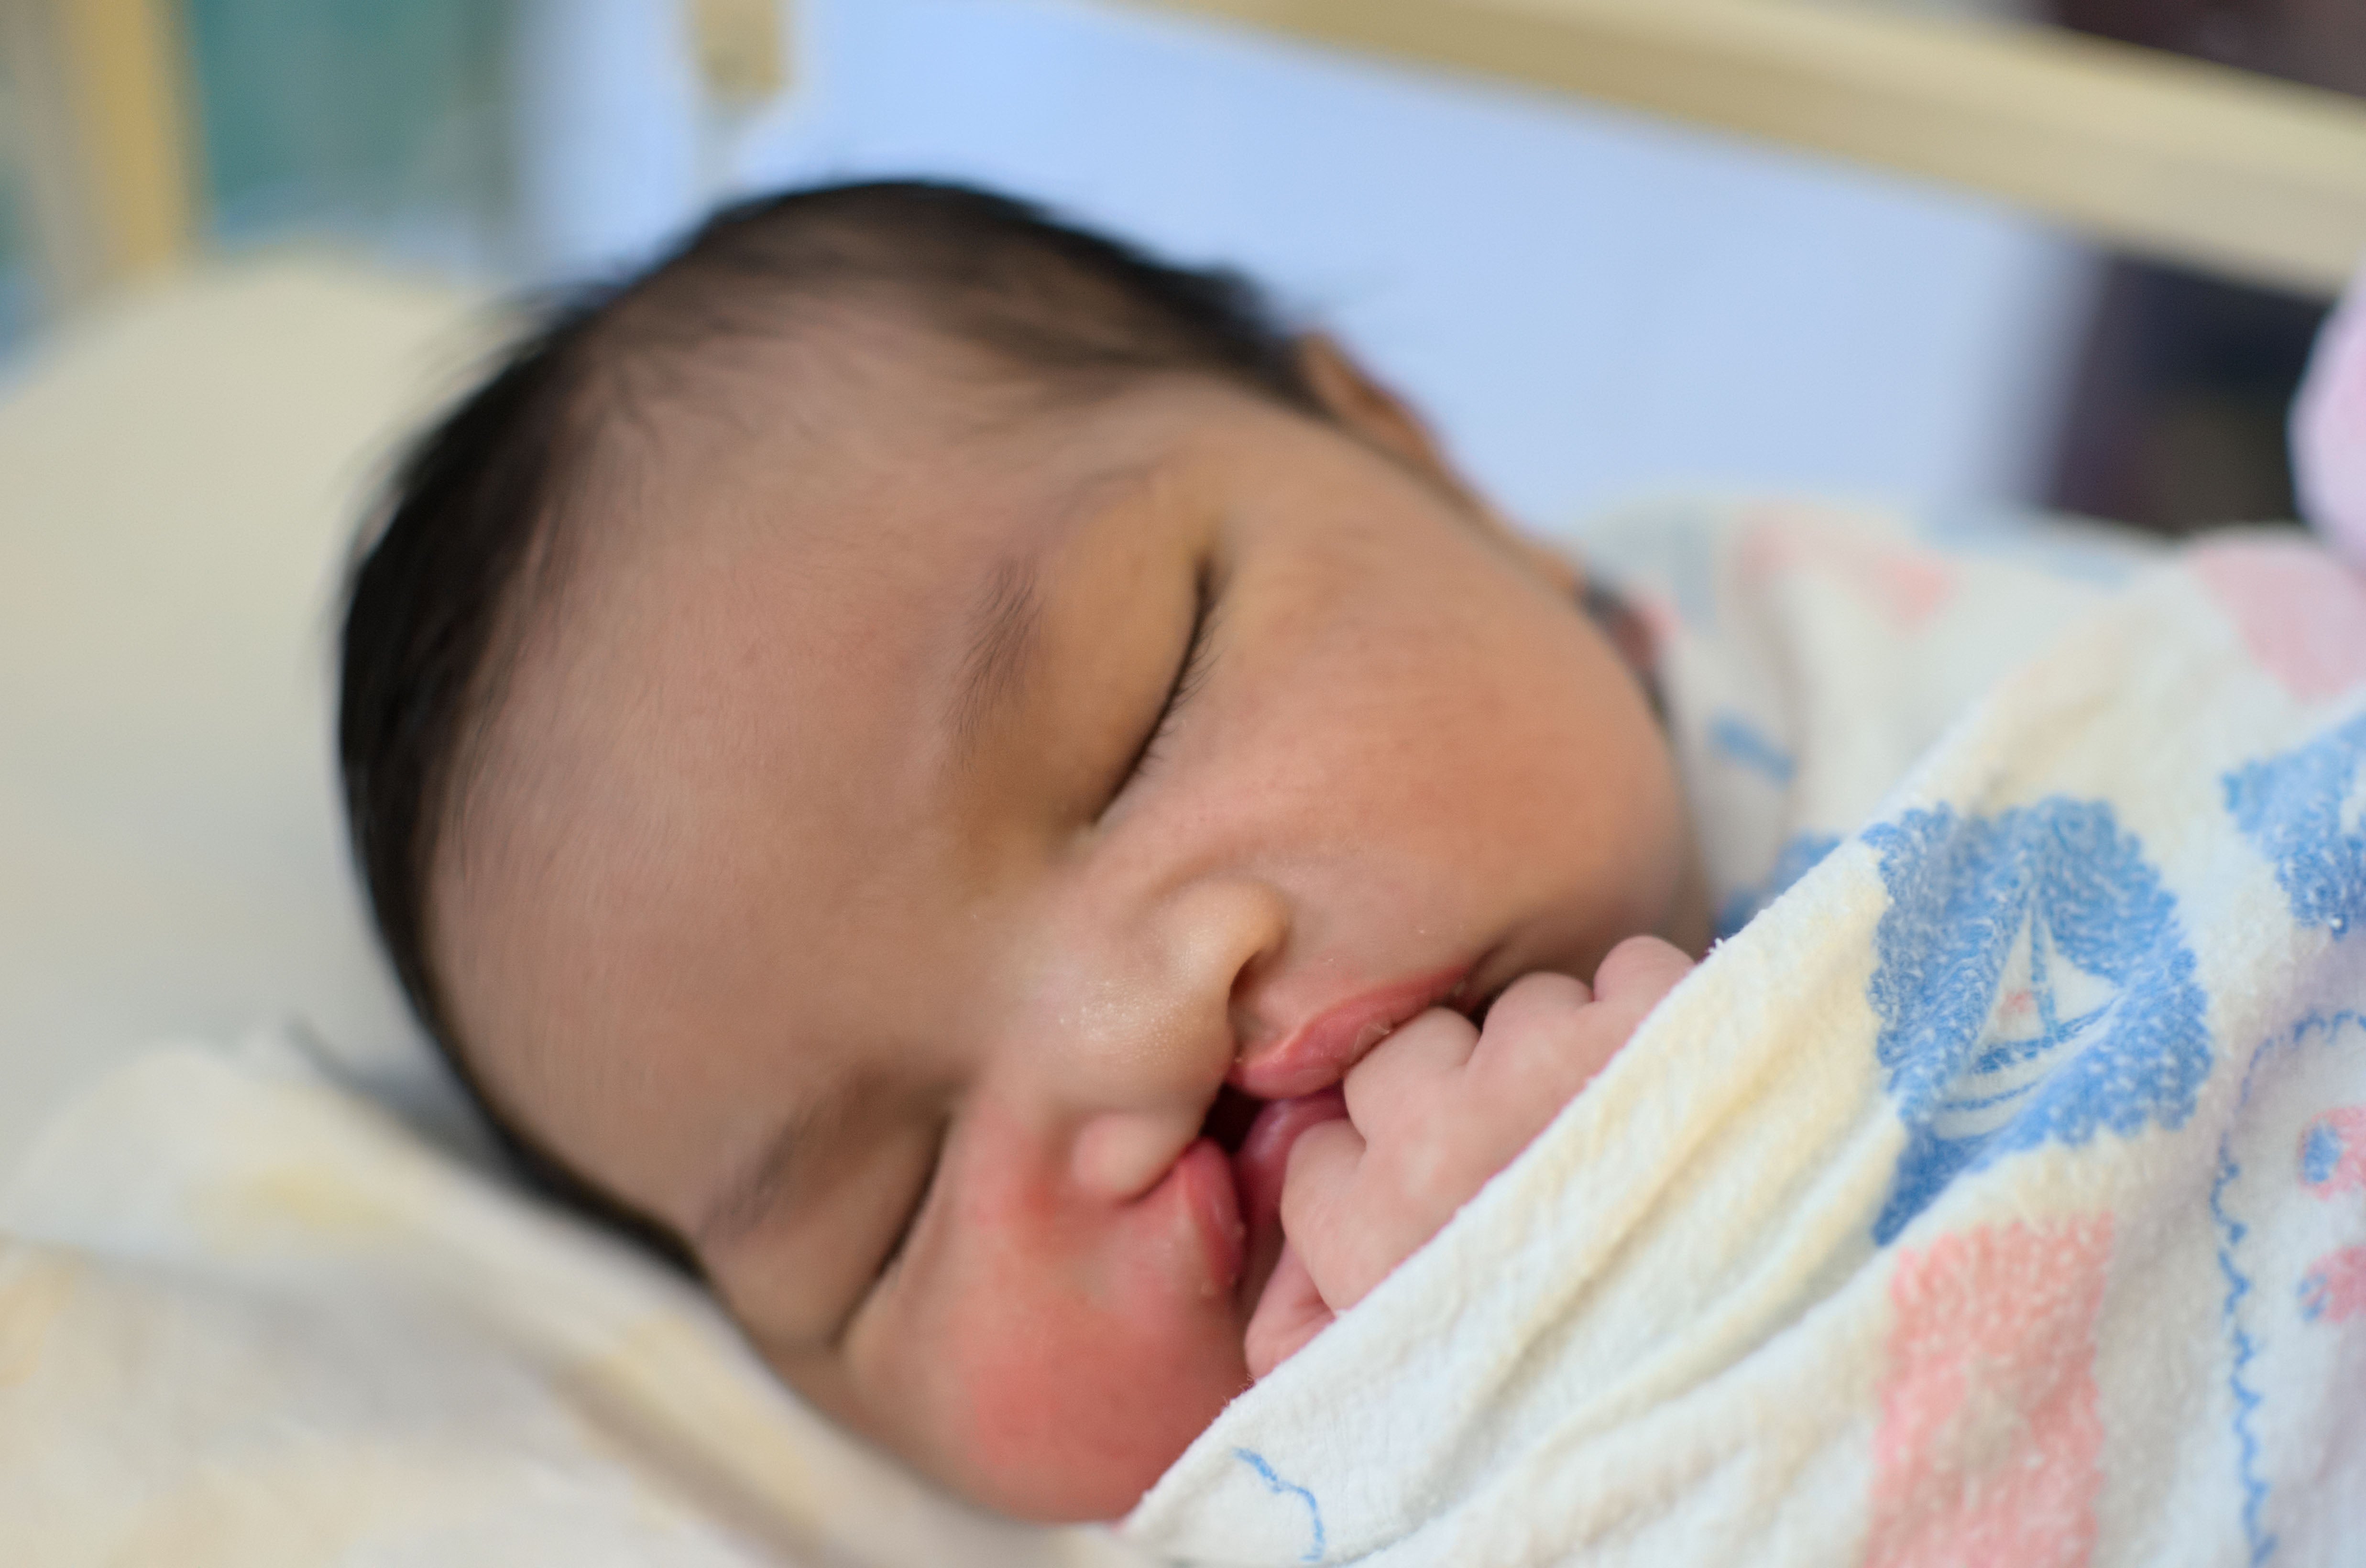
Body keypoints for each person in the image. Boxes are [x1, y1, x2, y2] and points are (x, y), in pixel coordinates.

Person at [338, 178, 1714, 1524]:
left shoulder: (1907, 678)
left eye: (1144, 722)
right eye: (889, 1220)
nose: (1122, 1040)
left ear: (1409, 458)